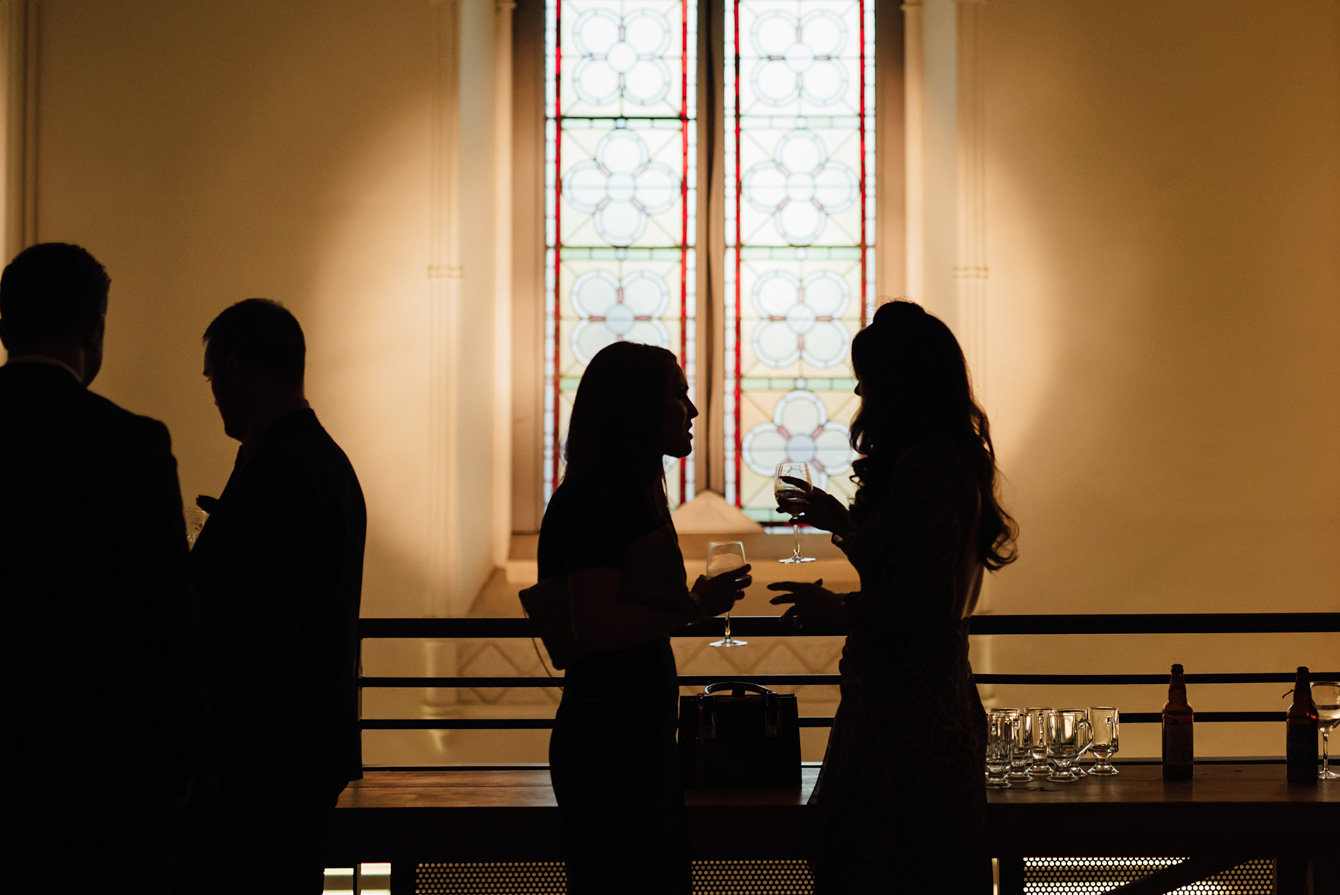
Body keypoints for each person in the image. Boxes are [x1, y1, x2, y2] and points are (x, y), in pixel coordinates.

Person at [768, 300, 1018, 893]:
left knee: (880, 869)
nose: (862, 396)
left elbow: (926, 602)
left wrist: (842, 610)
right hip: (921, 702)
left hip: (907, 722)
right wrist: (844, 523)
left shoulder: (927, 466)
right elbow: (913, 563)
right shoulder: (945, 461)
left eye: (868, 384)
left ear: (899, 387)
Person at [0, 243, 200, 895]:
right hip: (98, 777)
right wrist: (174, 775)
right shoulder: (131, 444)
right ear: (94, 328)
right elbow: (166, 623)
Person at [538, 341, 749, 894]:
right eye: (679, 396)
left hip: (630, 737)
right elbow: (595, 625)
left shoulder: (624, 492)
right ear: (638, 408)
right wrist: (695, 605)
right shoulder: (597, 499)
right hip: (610, 750)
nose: (693, 411)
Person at [179, 298, 366, 895]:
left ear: (235, 371)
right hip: (306, 753)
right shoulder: (325, 461)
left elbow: (261, 630)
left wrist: (215, 763)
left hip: (261, 768)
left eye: (212, 378)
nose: (213, 397)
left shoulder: (278, 470)